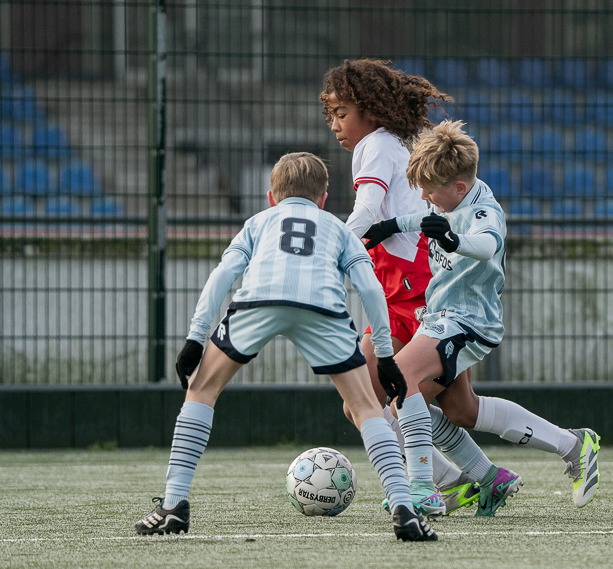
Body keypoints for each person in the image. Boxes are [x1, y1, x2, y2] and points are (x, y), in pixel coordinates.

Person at [133, 152, 437, 542]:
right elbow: (371, 290)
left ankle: (174, 505)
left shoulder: (257, 222)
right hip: (323, 307)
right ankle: (404, 510)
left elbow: (222, 276)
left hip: (258, 302)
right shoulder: (338, 229)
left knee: (201, 390)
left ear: (271, 197)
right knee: (366, 408)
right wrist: (384, 354)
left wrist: (196, 337)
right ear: (324, 198)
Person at [364, 120, 601, 516]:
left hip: (466, 320)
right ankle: (566, 448)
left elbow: (485, 244)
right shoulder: (450, 198)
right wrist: (390, 226)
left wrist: (453, 241)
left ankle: (422, 489)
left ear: (458, 186)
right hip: (442, 316)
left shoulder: (484, 212)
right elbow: (428, 220)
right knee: (461, 411)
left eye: (429, 190)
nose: (424, 196)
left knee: (400, 382)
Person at [320, 58, 510, 516]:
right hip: (401, 285)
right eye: (330, 116)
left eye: (341, 113)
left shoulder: (375, 146)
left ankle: (445, 484)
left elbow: (366, 212)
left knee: (381, 400)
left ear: (369, 109)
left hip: (413, 289)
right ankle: (482, 479)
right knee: (442, 406)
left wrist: (328, 254)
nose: (335, 125)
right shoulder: (382, 144)